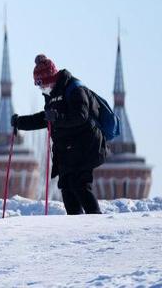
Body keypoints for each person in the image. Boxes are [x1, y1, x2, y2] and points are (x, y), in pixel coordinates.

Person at [12, 54, 106, 215]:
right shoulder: (52, 95)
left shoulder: (75, 89)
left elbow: (81, 116)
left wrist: (58, 118)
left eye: (42, 84)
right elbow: (45, 119)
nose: (42, 88)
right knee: (67, 188)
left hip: (86, 147)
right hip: (68, 150)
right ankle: (76, 226)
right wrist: (21, 122)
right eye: (38, 85)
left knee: (80, 185)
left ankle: (96, 222)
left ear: (51, 77)